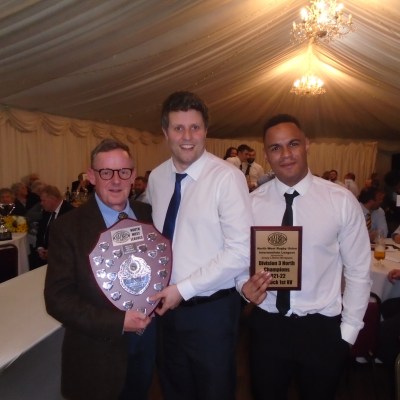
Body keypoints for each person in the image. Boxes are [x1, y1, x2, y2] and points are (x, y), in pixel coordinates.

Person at [237, 114, 371, 400]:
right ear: (266, 155)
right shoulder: (251, 204)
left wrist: (348, 333)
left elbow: (359, 270)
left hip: (321, 329)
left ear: (307, 144)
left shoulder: (340, 201)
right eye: (275, 148)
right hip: (268, 326)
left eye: (293, 144)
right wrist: (243, 287)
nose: (285, 154)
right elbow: (237, 260)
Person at [147, 91, 252, 400]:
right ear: (165, 132)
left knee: (214, 391)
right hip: (164, 310)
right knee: (173, 388)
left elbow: (241, 251)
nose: (187, 136)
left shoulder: (226, 178)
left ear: (206, 130)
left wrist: (182, 289)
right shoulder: (157, 178)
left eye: (195, 127)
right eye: (178, 128)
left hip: (211, 313)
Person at [44, 138, 156, 400]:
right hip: (96, 355)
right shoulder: (68, 228)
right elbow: (58, 300)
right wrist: (118, 322)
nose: (116, 181)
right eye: (106, 172)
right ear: (92, 176)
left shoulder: (148, 215)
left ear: (133, 176)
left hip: (145, 347)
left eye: (123, 172)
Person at [30, 185, 74, 269]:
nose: (41, 203)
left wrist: (53, 252)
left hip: (62, 258)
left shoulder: (70, 213)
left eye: (43, 200)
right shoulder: (47, 211)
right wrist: (40, 248)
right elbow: (41, 232)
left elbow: (71, 241)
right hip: (44, 255)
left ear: (53, 199)